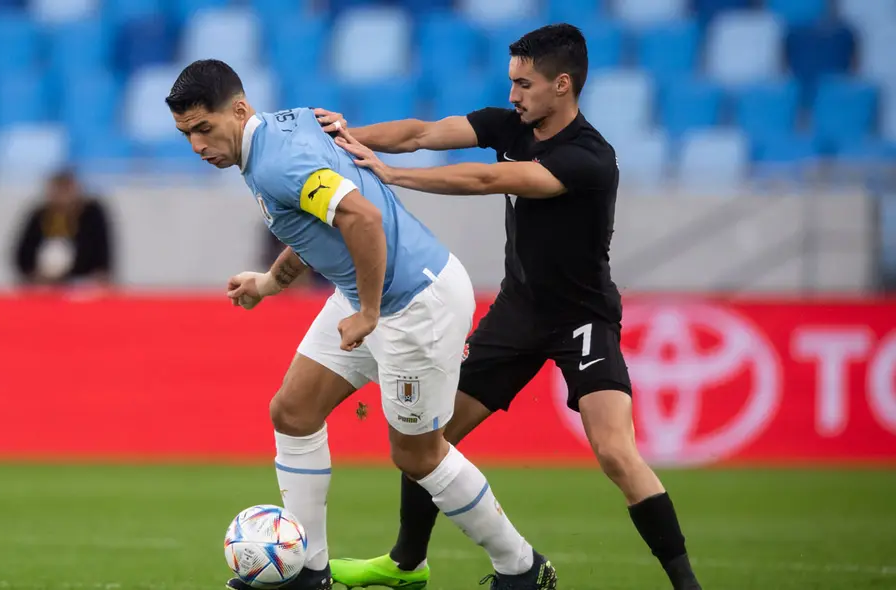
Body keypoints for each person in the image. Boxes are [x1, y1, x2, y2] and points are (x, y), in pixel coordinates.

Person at [317, 24, 704, 590]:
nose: (513, 95)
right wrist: (346, 138)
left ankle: (687, 584)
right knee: (428, 437)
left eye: (524, 84)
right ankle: (405, 565)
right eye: (511, 83)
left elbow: (488, 178)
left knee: (617, 453)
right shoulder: (509, 124)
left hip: (582, 319)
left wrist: (391, 174)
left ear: (562, 85)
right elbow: (422, 131)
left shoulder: (591, 159)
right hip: (517, 313)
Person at [164, 59, 557, 590]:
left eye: (203, 129)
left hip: (415, 302)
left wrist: (368, 313)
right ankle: (308, 573)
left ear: (238, 110)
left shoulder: (277, 162)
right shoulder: (291, 125)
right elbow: (317, 226)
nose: (197, 146)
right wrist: (270, 283)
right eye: (186, 134)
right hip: (369, 293)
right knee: (294, 411)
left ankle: (523, 570)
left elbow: (362, 218)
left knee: (418, 455)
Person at [11, 168, 114, 288]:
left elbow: (103, 247)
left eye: (66, 189)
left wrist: (100, 274)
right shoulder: (40, 215)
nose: (62, 196)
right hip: (45, 284)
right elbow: (22, 253)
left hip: (83, 283)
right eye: (58, 190)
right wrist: (34, 275)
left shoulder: (91, 214)